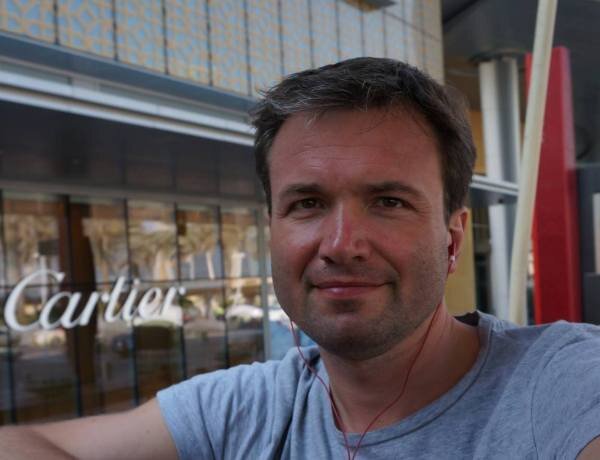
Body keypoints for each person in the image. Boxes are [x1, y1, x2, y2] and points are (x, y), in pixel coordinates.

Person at [1, 57, 600, 459]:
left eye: (388, 201)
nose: (340, 244)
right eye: (307, 203)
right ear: (272, 231)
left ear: (453, 237)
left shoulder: (560, 384)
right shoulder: (247, 407)